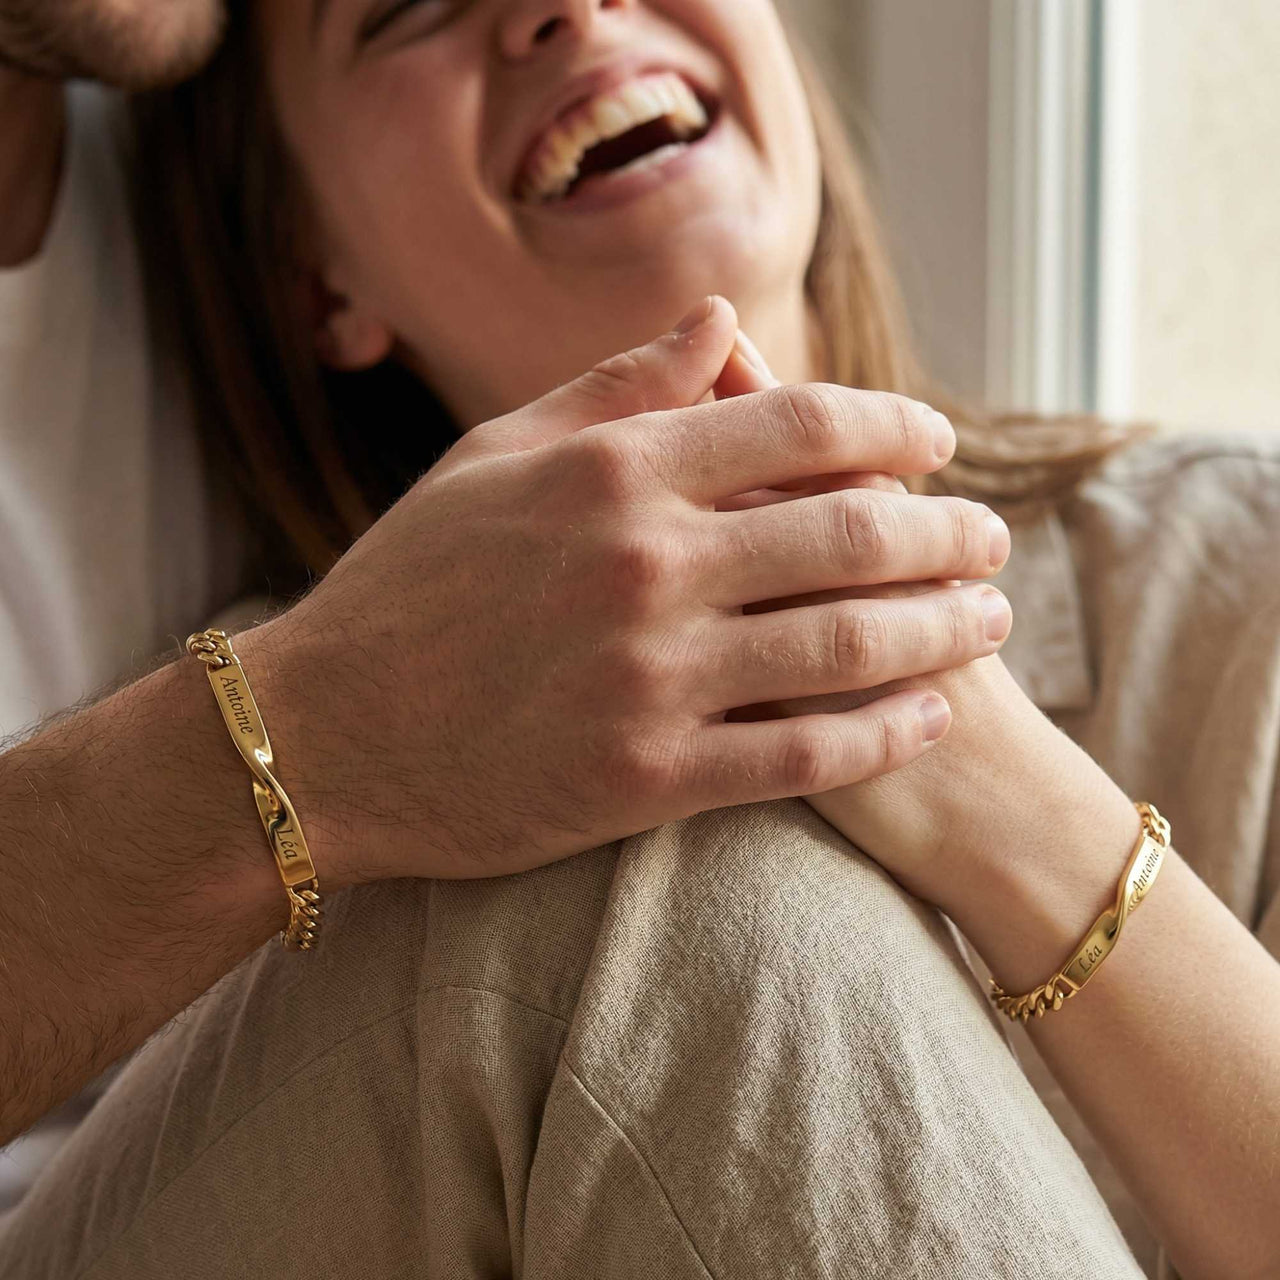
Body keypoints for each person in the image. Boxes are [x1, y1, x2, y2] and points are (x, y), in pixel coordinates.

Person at [3, 4, 1279, 1280]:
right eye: (410, 7)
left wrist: (998, 793)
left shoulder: (1234, 585)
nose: (563, 6)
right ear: (315, 277)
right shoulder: (262, 851)